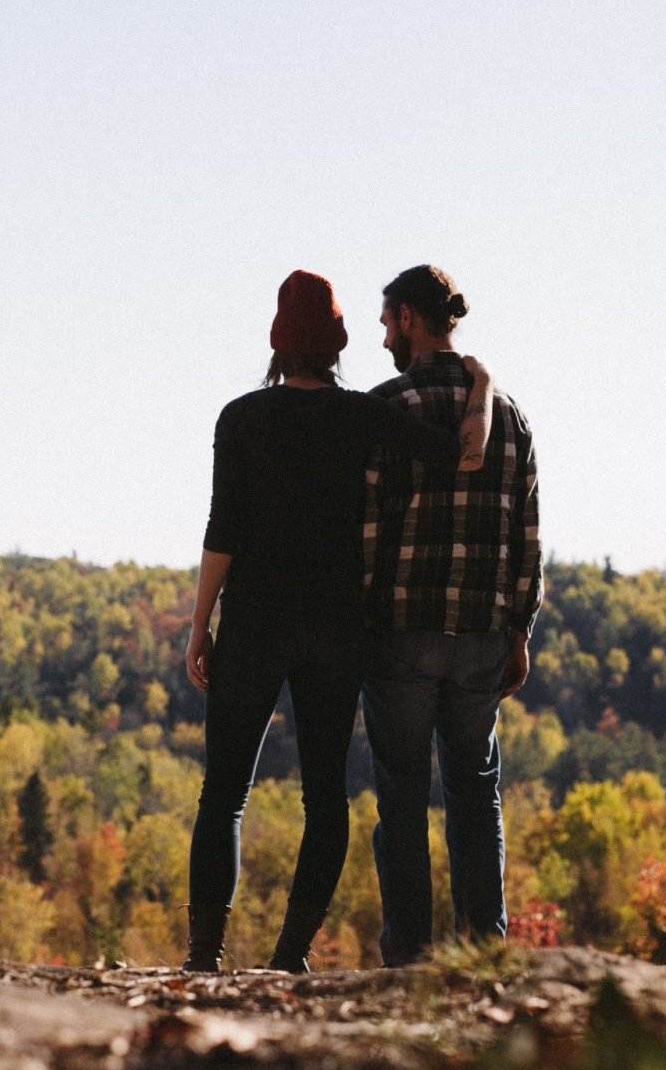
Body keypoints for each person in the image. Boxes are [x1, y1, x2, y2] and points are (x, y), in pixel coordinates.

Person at [182, 269, 494, 974]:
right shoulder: (362, 416)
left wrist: (200, 625)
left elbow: (221, 529)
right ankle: (289, 954)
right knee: (325, 798)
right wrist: (481, 383)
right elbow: (465, 454)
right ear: (339, 343)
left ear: (276, 343)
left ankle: (204, 956)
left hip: (255, 623)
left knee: (223, 792)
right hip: (334, 629)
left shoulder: (240, 419)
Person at [361, 265, 541, 967]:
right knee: (475, 792)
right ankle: (481, 950)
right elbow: (527, 534)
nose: (382, 337)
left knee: (401, 796)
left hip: (402, 633)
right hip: (478, 636)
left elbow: (368, 532)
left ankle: (409, 954)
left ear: (408, 317)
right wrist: (519, 627)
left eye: (385, 323)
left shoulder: (387, 407)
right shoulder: (510, 418)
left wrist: (363, 620)